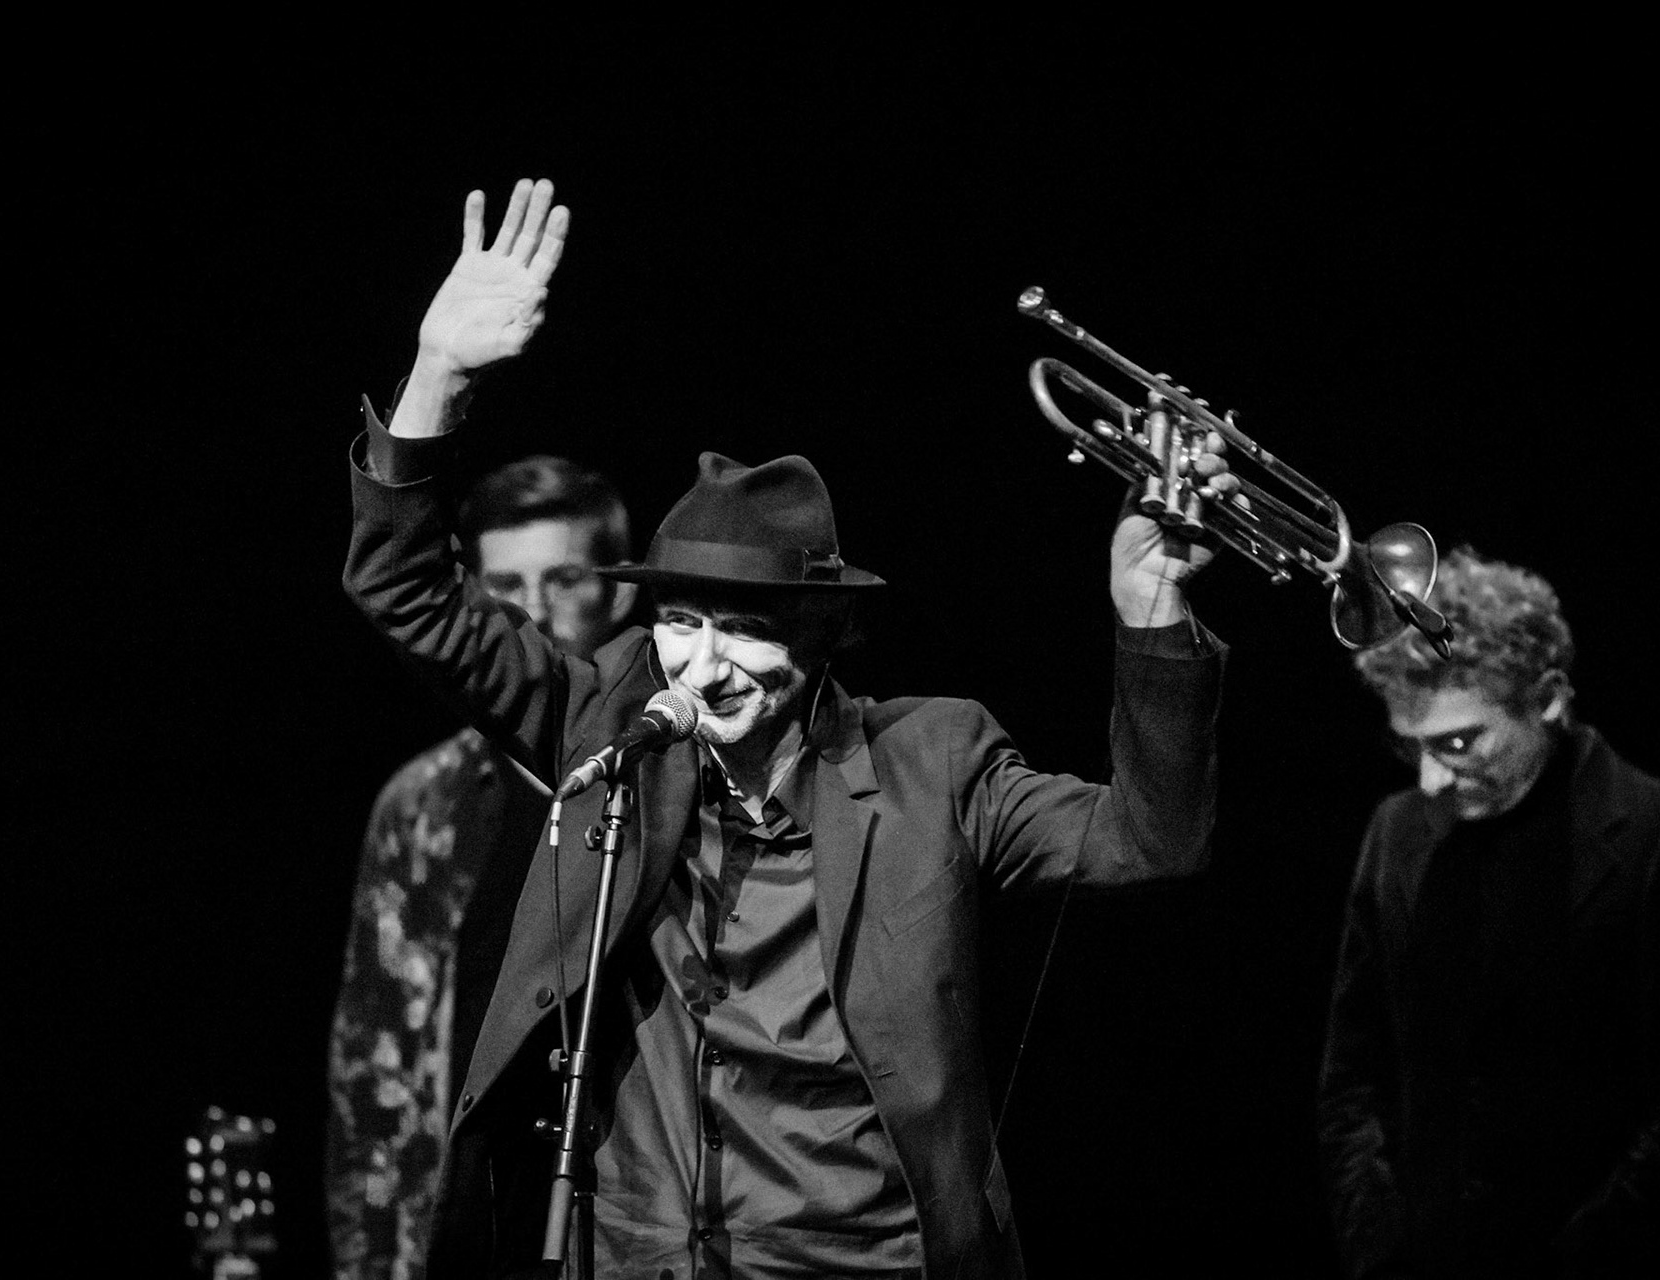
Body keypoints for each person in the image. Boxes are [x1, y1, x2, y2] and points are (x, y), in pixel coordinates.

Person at [342, 178, 1235, 1279]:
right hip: (632, 1252)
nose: (701, 664)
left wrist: (1151, 621)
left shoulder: (934, 762)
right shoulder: (613, 718)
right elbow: (406, 588)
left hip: (853, 1257)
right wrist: (439, 372)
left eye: (741, 630)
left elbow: (1154, 839)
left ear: (823, 638)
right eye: (679, 621)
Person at [1319, 547, 1660, 1279]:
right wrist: (1377, 1246)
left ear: (1548, 697)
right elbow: (1353, 1078)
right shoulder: (1396, 830)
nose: (1427, 778)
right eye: (1409, 744)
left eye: (1457, 742)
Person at [327, 453, 638, 1279]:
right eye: (505, 588)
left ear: (623, 590)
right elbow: (376, 1058)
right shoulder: (424, 804)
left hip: (627, 1212)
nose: (533, 612)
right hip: (466, 1220)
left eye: (564, 579)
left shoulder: (665, 782)